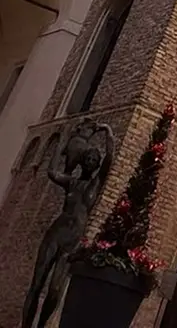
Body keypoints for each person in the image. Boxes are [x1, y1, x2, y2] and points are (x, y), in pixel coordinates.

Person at [21, 122, 114, 328]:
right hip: (56, 233)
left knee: (54, 291)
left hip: (72, 240)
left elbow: (110, 159)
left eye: (93, 160)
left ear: (97, 164)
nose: (90, 161)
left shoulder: (96, 184)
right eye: (87, 158)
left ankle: (41, 324)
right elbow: (52, 172)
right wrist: (62, 142)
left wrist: (108, 132)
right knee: (36, 284)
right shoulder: (71, 182)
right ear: (82, 162)